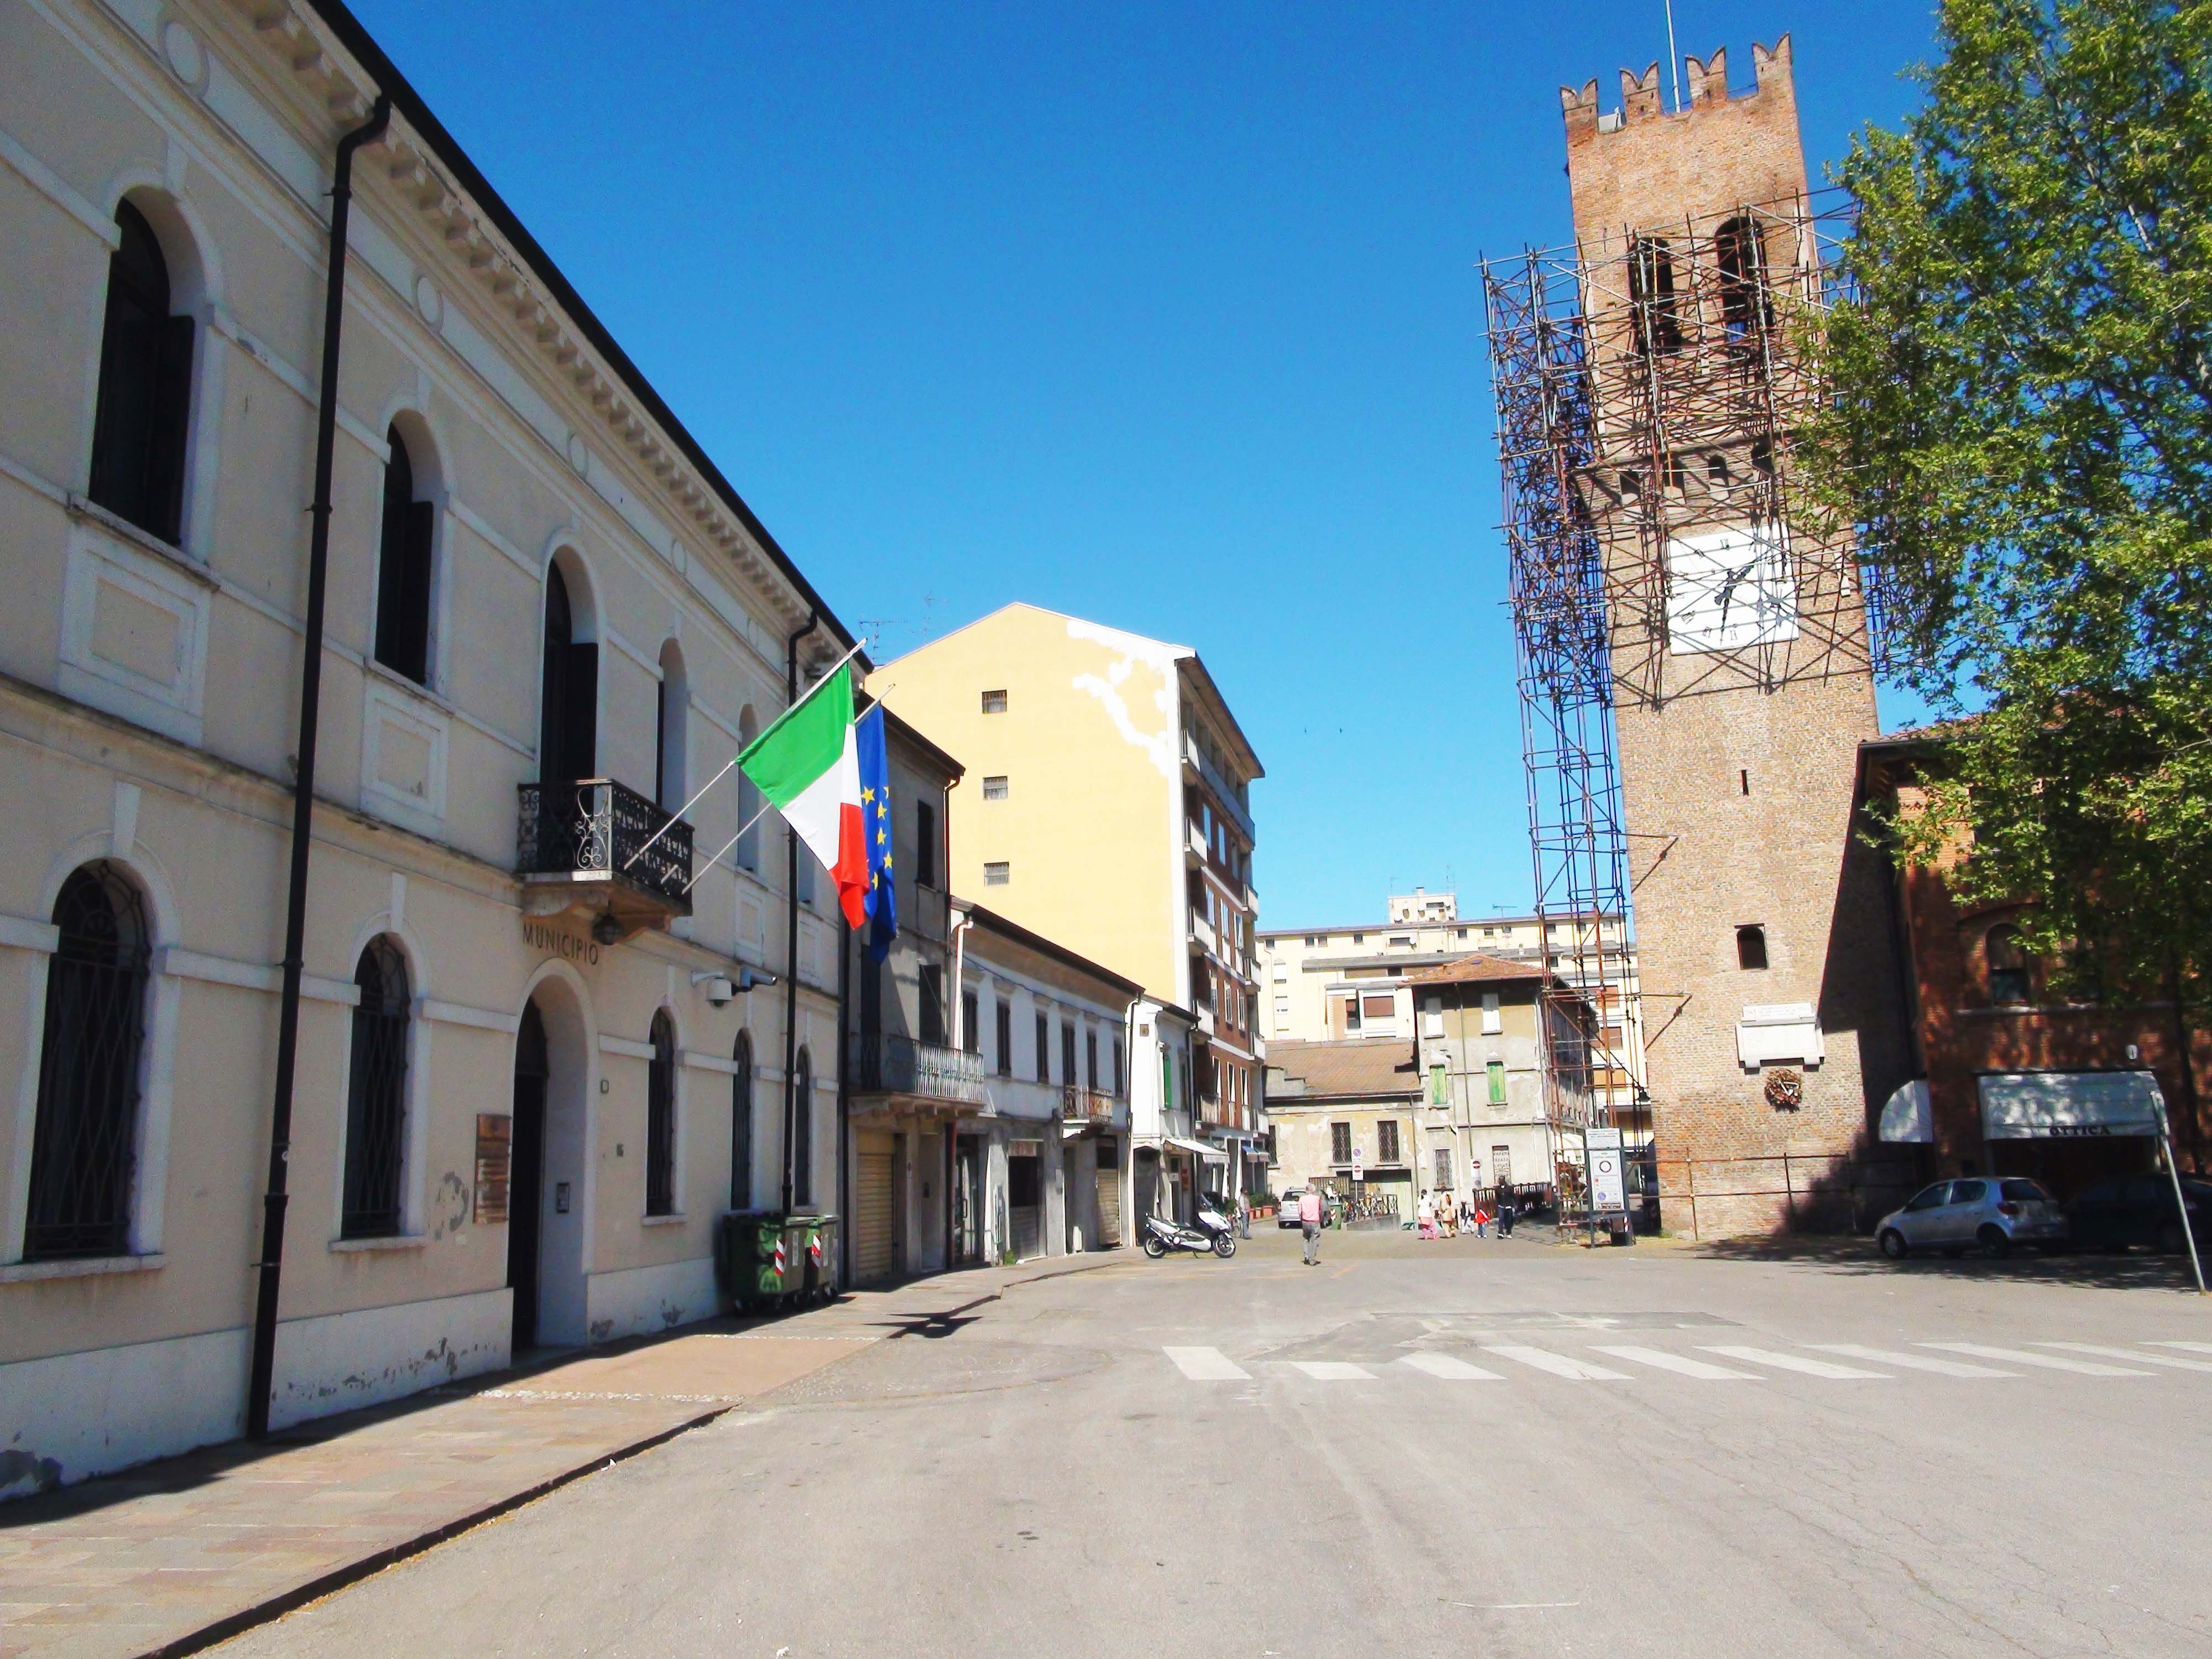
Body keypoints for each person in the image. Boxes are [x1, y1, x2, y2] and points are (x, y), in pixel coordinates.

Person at [1298, 1187, 1325, 1265]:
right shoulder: (1317, 1199)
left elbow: (1300, 1211)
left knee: (1306, 1239)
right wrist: (1321, 1219)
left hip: (1305, 1222)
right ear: (1313, 1191)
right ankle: (1312, 1259)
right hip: (1315, 1221)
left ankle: (1306, 1256)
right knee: (1314, 1240)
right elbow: (1321, 1210)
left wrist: (1302, 1219)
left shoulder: (1302, 1199)